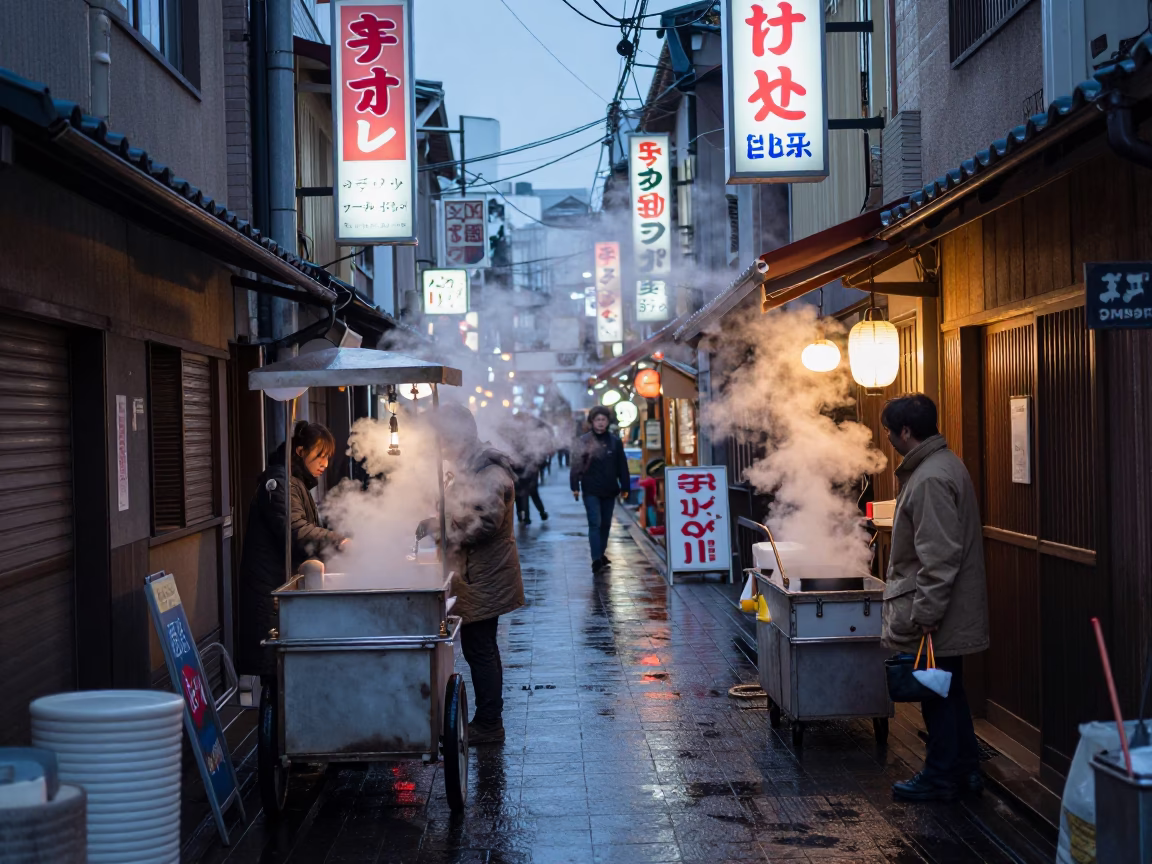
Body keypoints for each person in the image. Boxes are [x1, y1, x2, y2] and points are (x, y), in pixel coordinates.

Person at [880, 394, 989, 802]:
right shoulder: (943, 464)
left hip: (939, 611)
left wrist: (926, 613)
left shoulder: (928, 478)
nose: (889, 438)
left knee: (936, 694)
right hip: (951, 606)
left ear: (906, 431)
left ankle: (941, 775)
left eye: (890, 431)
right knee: (950, 689)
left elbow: (939, 556)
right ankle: (965, 771)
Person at [420, 403, 524, 745]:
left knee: (481, 649)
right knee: (480, 648)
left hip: (483, 576)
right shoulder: (470, 467)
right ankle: (488, 719)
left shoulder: (488, 473)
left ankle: (490, 723)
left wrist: (441, 528)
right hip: (474, 573)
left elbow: (485, 522)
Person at [237, 421, 348, 678]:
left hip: (282, 585)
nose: (324, 463)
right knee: (275, 667)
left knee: (285, 663)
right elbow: (295, 529)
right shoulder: (279, 482)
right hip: (271, 588)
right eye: (320, 455)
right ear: (300, 452)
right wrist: (338, 541)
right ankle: (275, 716)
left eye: (327, 457)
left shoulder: (296, 482)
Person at [569, 406, 630, 573]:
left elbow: (622, 466)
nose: (601, 423)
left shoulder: (615, 441)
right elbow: (576, 465)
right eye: (597, 420)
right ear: (592, 422)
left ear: (607, 421)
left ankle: (600, 554)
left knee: (605, 524)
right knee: (594, 523)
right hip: (590, 489)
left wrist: (625, 486)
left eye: (603, 420)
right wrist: (575, 486)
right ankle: (596, 559)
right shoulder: (583, 441)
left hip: (609, 489)